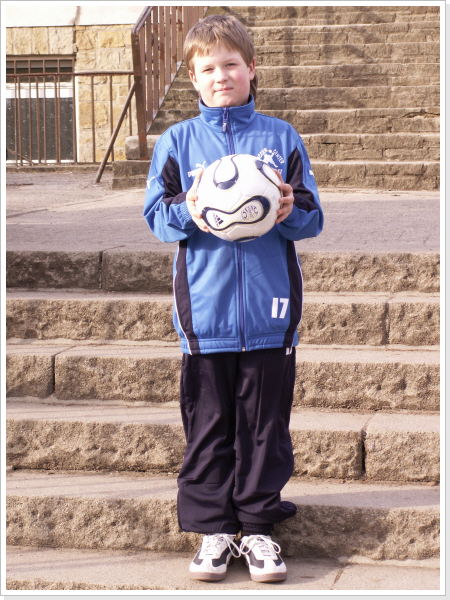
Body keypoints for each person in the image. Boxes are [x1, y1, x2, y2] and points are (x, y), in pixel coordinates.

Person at [143, 14, 323, 584]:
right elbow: (156, 217)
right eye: (207, 69)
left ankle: (259, 528)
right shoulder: (177, 142)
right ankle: (214, 530)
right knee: (209, 427)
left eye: (230, 64)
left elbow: (313, 217)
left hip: (270, 315)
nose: (220, 76)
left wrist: (289, 209)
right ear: (193, 79)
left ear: (251, 69)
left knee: (265, 427)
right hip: (206, 315)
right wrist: (189, 209)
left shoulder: (281, 137)